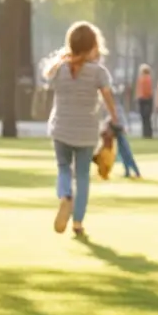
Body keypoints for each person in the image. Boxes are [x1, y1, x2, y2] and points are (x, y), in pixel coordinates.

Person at [44, 21, 121, 239]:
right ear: (93, 46)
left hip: (61, 127)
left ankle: (65, 196)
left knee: (63, 168)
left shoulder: (57, 69)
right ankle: (77, 222)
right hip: (86, 131)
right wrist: (115, 119)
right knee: (83, 176)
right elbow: (107, 98)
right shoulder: (98, 72)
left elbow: (51, 86)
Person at [134, 62, 155, 139]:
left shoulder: (143, 79)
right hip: (147, 99)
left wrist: (138, 97)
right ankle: (147, 133)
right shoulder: (147, 79)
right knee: (147, 117)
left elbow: (141, 90)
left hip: (144, 99)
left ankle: (146, 133)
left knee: (144, 117)